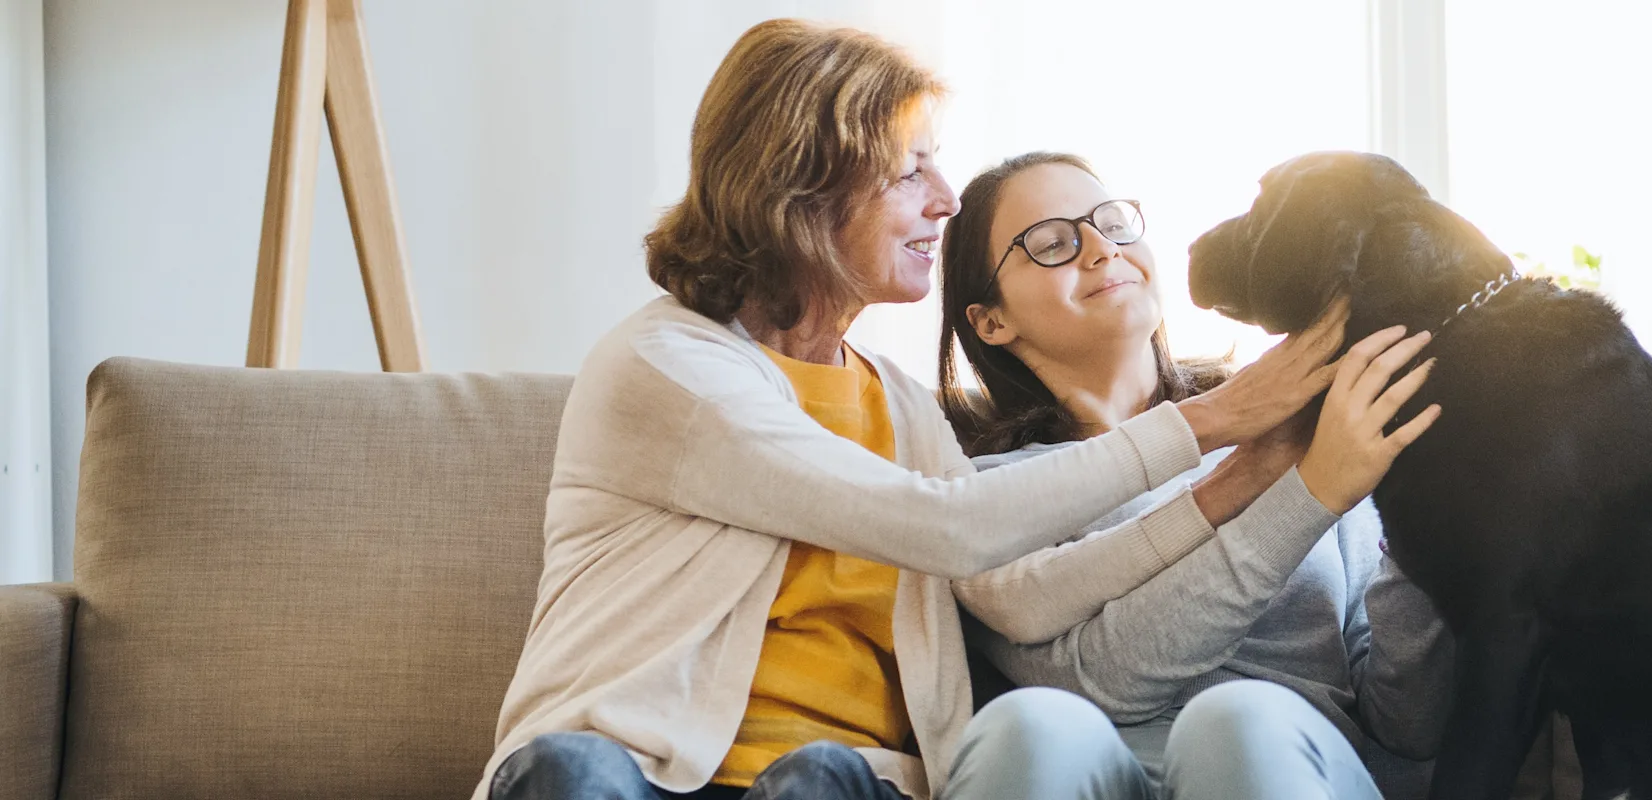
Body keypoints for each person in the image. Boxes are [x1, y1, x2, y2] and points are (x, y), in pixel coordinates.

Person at [470, 19, 1423, 800]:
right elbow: (958, 532)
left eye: (1112, 224)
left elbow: (1011, 585)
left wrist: (1269, 467)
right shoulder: (670, 365)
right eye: (909, 169)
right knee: (575, 773)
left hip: (844, 778)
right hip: (637, 766)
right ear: (806, 182)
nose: (943, 200)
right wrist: (1226, 433)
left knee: (822, 782)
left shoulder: (904, 411)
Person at [926, 151, 1455, 800]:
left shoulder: (1318, 432)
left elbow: (1408, 722)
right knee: (1029, 725)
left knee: (1235, 719)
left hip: (1288, 762)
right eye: (1052, 242)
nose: (1100, 248)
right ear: (991, 320)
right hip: (1101, 772)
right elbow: (1103, 680)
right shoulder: (982, 491)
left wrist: (1423, 512)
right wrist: (1302, 496)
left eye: (1113, 222)